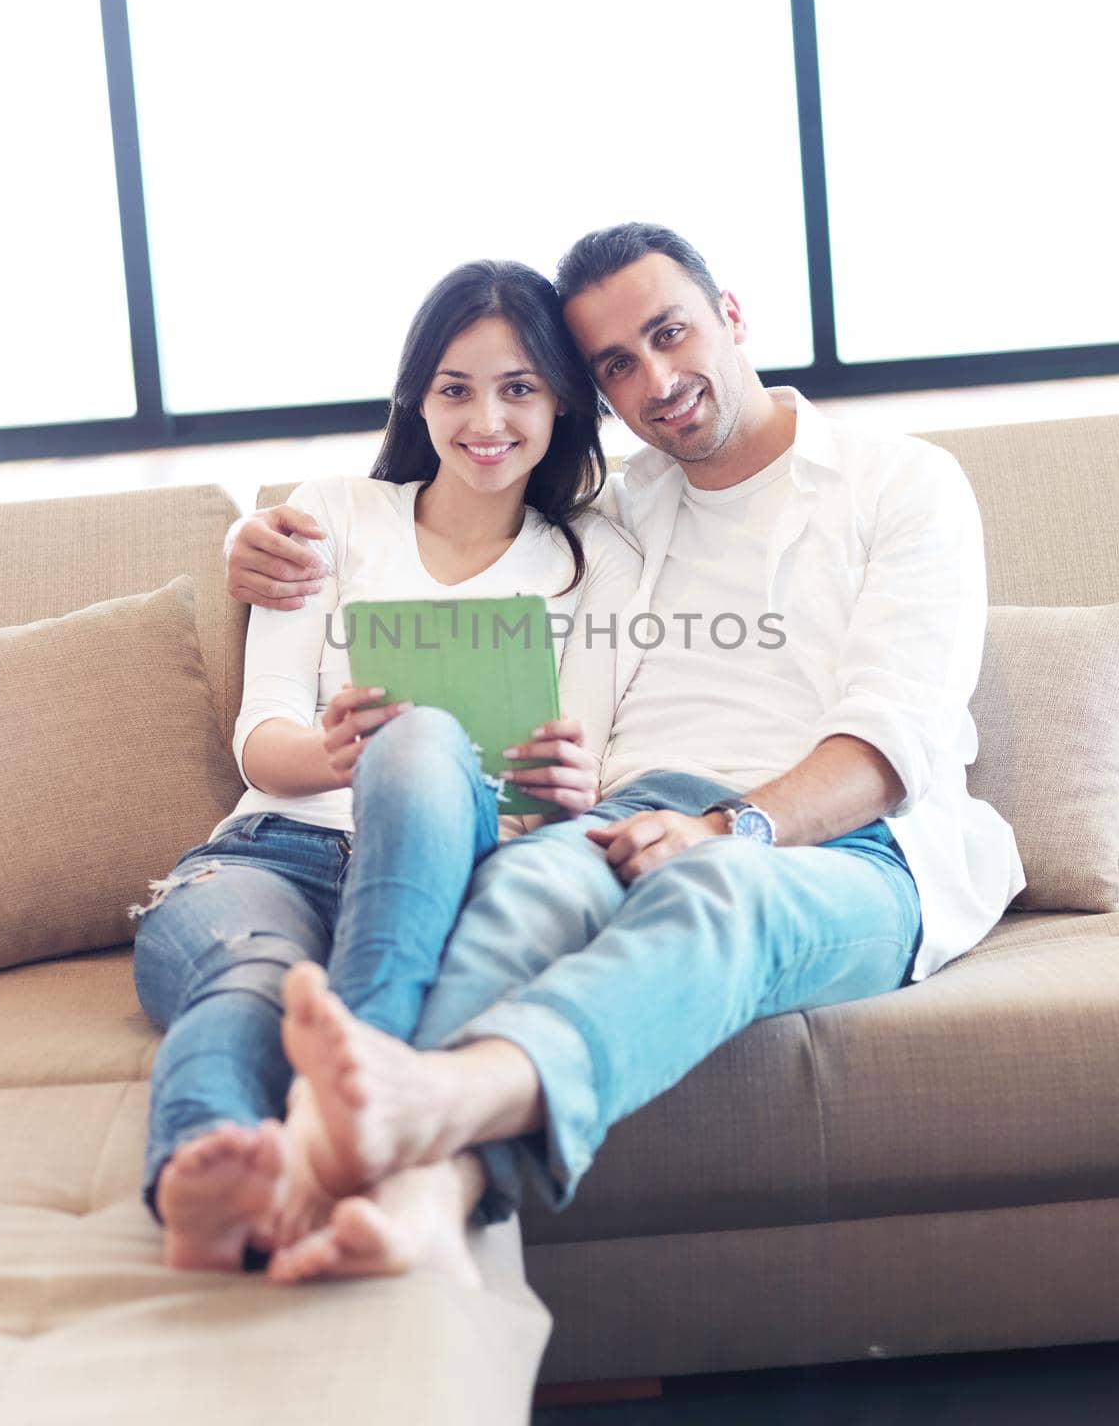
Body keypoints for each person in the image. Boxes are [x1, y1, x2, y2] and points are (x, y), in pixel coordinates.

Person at [226, 222, 1025, 1287]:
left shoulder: (903, 484)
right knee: (512, 892)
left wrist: (726, 827)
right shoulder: (614, 508)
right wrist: (248, 542)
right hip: (632, 816)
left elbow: (895, 738)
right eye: (616, 365)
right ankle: (418, 1190)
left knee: (721, 896)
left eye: (671, 333)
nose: (657, 379)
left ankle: (434, 1114)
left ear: (730, 315)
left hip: (854, 845)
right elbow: (457, 505)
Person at [131, 258, 642, 1275]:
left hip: (443, 864)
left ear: (561, 402)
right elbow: (259, 734)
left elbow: (568, 783)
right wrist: (328, 752)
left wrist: (577, 788)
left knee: (419, 737)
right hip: (272, 856)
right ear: (419, 395)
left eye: (519, 388)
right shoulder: (330, 515)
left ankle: (338, 1103)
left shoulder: (595, 560)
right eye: (456, 387)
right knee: (250, 983)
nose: (484, 418)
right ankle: (205, 1177)